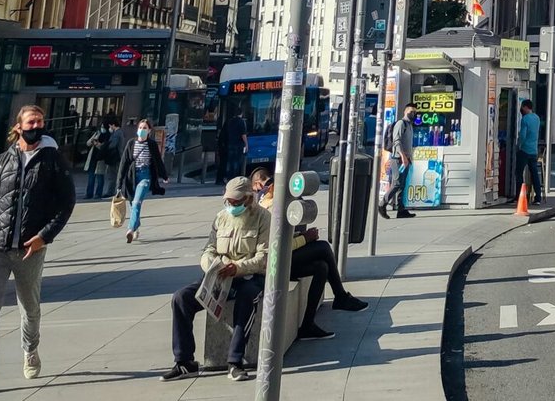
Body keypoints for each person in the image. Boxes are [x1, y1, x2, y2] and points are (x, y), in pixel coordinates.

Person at [0, 102, 76, 398]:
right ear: (18, 127)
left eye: (39, 121)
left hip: (30, 249)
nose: (36, 126)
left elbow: (66, 204)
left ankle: (30, 349)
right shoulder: (2, 160)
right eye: (30, 122)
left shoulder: (52, 160)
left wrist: (43, 236)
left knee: (30, 308)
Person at [164, 176, 268, 381]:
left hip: (248, 276)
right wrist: (211, 265)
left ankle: (235, 362)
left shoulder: (263, 218)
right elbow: (208, 249)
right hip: (219, 275)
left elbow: (263, 258)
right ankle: (184, 361)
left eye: (237, 202)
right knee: (181, 298)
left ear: (249, 199)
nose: (232, 205)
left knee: (247, 299)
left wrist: (236, 268)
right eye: (229, 201)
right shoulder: (221, 217)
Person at [245, 167, 367, 337]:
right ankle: (340, 296)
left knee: (321, 267)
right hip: (273, 263)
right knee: (323, 247)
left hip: (281, 259)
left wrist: (301, 236)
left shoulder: (265, 202)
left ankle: (308, 324)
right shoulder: (271, 207)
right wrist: (305, 239)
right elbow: (277, 245)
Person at [116, 118, 167, 243]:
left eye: (144, 128)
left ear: (149, 130)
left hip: (145, 176)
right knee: (133, 204)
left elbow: (158, 161)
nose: (142, 130)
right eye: (140, 128)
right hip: (131, 177)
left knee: (137, 202)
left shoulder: (152, 144)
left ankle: (130, 229)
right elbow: (124, 163)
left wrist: (164, 176)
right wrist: (119, 184)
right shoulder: (131, 143)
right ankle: (136, 225)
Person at [380, 112, 415, 219]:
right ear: (406, 111)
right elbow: (397, 141)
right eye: (411, 110)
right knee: (397, 183)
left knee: (402, 185)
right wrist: (403, 156)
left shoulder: (409, 125)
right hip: (398, 159)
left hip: (405, 159)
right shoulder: (401, 123)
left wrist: (408, 158)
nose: (414, 113)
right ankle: (382, 204)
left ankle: (401, 210)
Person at [514, 98, 544, 204]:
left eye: (522, 107)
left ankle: (519, 197)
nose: (521, 109)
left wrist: (519, 145)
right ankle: (538, 198)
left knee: (518, 173)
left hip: (525, 150)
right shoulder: (537, 118)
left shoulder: (525, 119)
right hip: (534, 151)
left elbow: (523, 135)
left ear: (526, 107)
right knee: (534, 174)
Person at [81, 120, 114, 203]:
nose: (102, 128)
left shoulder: (108, 136)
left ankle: (98, 193)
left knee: (100, 177)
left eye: (103, 127)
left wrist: (98, 144)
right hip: (92, 159)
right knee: (91, 177)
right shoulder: (97, 134)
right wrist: (94, 138)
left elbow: (104, 148)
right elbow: (88, 143)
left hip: (100, 160)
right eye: (101, 126)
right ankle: (89, 193)